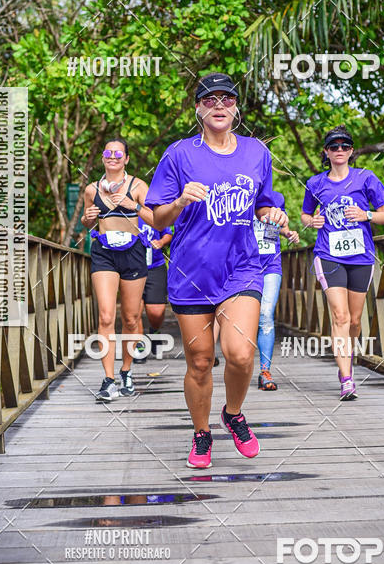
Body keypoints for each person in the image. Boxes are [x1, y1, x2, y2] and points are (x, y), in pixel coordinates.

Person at [145, 72, 288, 469]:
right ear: (198, 108)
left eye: (227, 99)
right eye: (210, 100)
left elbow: (263, 202)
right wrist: (178, 204)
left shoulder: (257, 153)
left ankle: (234, 413)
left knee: (240, 354)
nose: (219, 106)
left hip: (241, 268)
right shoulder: (178, 155)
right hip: (192, 273)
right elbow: (157, 219)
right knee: (201, 362)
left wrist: (272, 211)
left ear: (236, 108)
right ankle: (202, 433)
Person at [301, 124, 384, 400]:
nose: (339, 150)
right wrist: (312, 221)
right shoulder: (316, 183)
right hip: (329, 255)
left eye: (344, 146)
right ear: (326, 152)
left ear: (351, 151)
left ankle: (346, 362)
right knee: (339, 315)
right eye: (333, 146)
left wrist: (366, 215)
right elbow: (305, 215)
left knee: (354, 320)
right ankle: (347, 378)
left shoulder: (366, 178)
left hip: (360, 256)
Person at [81, 138, 155, 402]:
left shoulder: (138, 185)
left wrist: (131, 205)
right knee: (105, 316)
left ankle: (126, 371)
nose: (112, 156)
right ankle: (108, 379)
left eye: (118, 153)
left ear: (126, 159)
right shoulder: (91, 189)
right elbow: (87, 224)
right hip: (103, 254)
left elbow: (155, 218)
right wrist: (87, 220)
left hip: (133, 253)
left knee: (132, 318)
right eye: (108, 152)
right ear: (103, 157)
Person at [252, 189, 300, 390]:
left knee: (265, 315)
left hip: (270, 263)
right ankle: (239, 366)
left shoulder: (276, 197)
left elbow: (282, 226)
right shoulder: (234, 191)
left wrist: (288, 233)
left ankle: (265, 371)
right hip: (242, 264)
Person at [134, 218, 173, 361]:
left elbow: (168, 233)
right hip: (132, 267)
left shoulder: (154, 210)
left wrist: (161, 242)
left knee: (156, 312)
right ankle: (139, 345)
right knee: (134, 310)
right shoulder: (125, 211)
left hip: (155, 266)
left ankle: (154, 331)